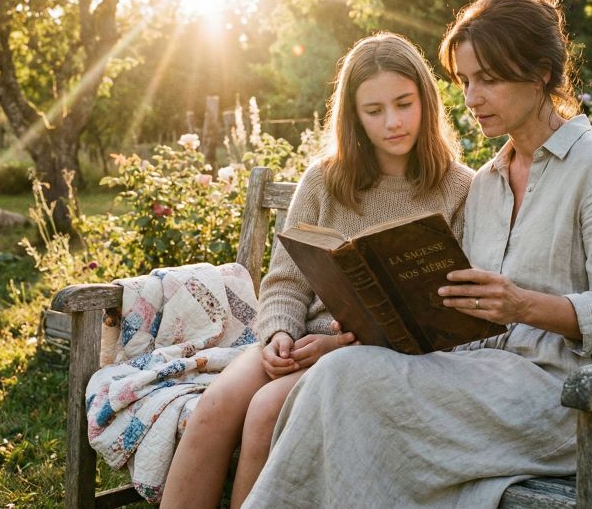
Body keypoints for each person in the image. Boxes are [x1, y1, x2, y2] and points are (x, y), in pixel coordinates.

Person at [241, 0, 592, 508]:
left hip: (567, 400)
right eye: (464, 81)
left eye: (489, 79)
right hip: (479, 379)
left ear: (542, 73)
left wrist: (523, 305)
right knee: (341, 372)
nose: (471, 98)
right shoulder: (487, 182)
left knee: (351, 392)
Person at [160, 32, 474, 508]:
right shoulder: (326, 179)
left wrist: (337, 344)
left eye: (404, 103)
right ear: (353, 115)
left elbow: (439, 320)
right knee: (215, 407)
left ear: (427, 102)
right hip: (298, 343)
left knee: (266, 409)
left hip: (376, 357)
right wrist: (277, 336)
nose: (393, 122)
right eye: (374, 111)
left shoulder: (458, 189)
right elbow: (285, 279)